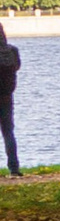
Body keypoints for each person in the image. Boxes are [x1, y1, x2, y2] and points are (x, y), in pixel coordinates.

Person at [0, 19, 18, 174]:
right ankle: (14, 167)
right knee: (8, 132)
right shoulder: (12, 50)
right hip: (7, 95)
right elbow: (17, 67)